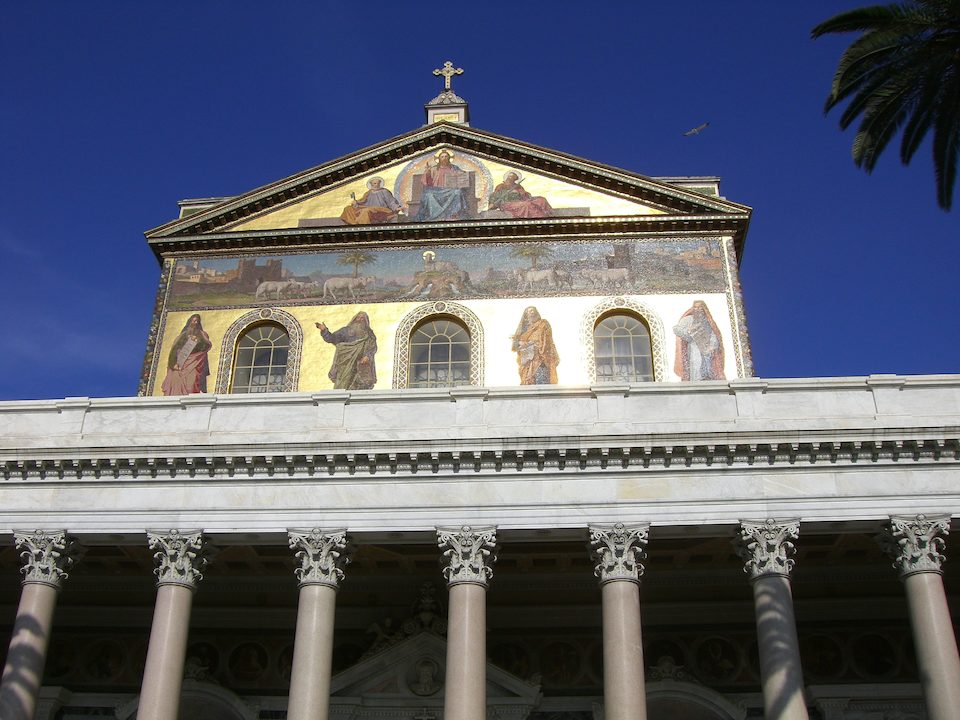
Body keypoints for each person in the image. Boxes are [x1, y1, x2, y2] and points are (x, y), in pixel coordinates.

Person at [316, 312, 378, 389]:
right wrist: (324, 330)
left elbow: (372, 347)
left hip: (361, 362)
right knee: (343, 381)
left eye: (362, 318)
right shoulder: (345, 331)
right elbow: (332, 338)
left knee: (360, 382)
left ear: (366, 321)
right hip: (345, 361)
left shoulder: (369, 334)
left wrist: (367, 356)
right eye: (358, 317)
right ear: (354, 319)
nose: (360, 320)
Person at [673, 300, 725, 380]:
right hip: (694, 347)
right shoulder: (688, 320)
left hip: (706, 350)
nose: (697, 310)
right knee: (695, 364)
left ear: (704, 309)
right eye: (695, 308)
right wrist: (689, 331)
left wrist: (712, 346)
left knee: (708, 368)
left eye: (700, 308)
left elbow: (714, 335)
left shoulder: (708, 322)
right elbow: (676, 329)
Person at [161, 314, 212, 395]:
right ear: (189, 322)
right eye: (193, 321)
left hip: (194, 363)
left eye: (197, 321)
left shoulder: (202, 335)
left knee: (191, 383)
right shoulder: (182, 336)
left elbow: (206, 345)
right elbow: (174, 350)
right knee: (176, 381)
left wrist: (197, 341)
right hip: (180, 363)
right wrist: (173, 364)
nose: (195, 323)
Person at [414, 150, 471, 221]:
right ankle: (434, 216)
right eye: (442, 157)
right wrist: (427, 172)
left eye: (446, 156)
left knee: (458, 192)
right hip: (436, 190)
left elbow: (463, 175)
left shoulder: (454, 168)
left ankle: (453, 214)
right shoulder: (433, 168)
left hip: (449, 190)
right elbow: (426, 182)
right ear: (439, 159)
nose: (444, 158)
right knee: (428, 194)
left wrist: (462, 174)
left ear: (449, 158)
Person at [511, 306, 560, 385]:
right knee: (528, 384)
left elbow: (547, 340)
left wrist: (535, 346)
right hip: (527, 362)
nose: (532, 312)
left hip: (541, 359)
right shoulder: (524, 330)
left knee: (542, 383)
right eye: (529, 311)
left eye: (533, 310)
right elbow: (515, 345)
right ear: (526, 316)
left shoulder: (543, 324)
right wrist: (520, 343)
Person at [488, 171, 553, 218]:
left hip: (521, 201)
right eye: (509, 177)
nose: (509, 179)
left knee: (541, 200)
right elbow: (495, 196)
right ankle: (539, 217)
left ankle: (547, 214)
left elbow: (525, 196)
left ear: (514, 179)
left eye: (512, 177)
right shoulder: (501, 186)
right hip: (508, 204)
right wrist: (493, 204)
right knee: (527, 204)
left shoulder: (518, 186)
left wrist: (522, 193)